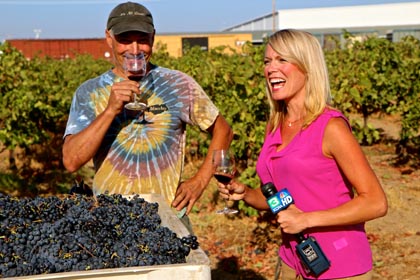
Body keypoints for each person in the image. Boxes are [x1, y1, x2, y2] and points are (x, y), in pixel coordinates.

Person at [218, 29, 388, 279]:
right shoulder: (276, 125)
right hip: (293, 260)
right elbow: (282, 200)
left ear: (307, 66)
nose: (270, 69)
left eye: (282, 60)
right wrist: (247, 194)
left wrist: (306, 220)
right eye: (267, 61)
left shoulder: (331, 127)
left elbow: (376, 203)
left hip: (338, 264)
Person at [62, 2, 233, 223]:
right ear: (108, 38)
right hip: (110, 221)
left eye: (142, 40)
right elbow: (71, 160)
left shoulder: (179, 84)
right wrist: (110, 111)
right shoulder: (90, 92)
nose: (134, 50)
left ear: (153, 38)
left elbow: (224, 131)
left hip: (167, 219)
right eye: (125, 40)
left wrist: (199, 181)